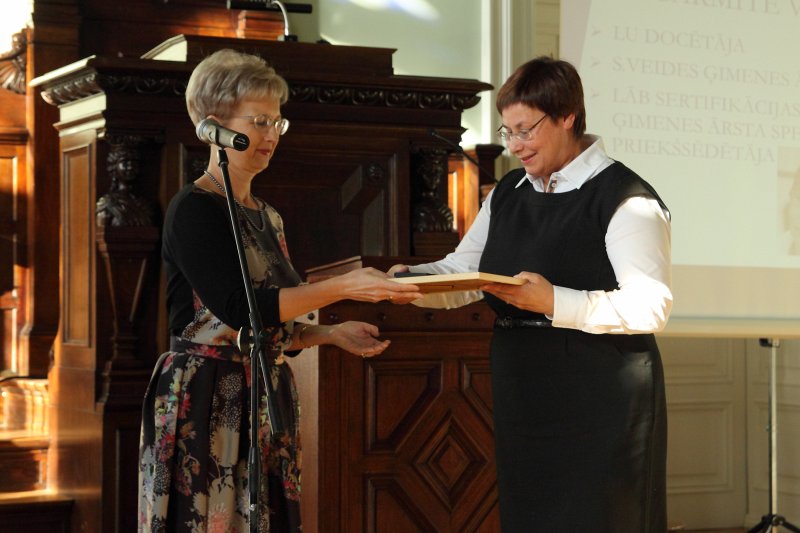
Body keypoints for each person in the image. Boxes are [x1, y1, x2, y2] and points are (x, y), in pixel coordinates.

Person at [137, 48, 422, 533]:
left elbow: (274, 324)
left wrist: (328, 335)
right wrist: (344, 286)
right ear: (213, 126)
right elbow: (239, 310)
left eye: (278, 122)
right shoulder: (194, 209)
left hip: (265, 394)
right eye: (260, 121)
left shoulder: (268, 215)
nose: (271, 134)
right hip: (206, 396)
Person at [389, 56, 673, 532]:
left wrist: (553, 302)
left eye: (526, 130)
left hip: (602, 392)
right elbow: (464, 271)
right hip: (524, 385)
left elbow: (651, 306)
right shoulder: (507, 193)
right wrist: (408, 283)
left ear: (568, 118)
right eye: (507, 132)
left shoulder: (626, 197)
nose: (515, 146)